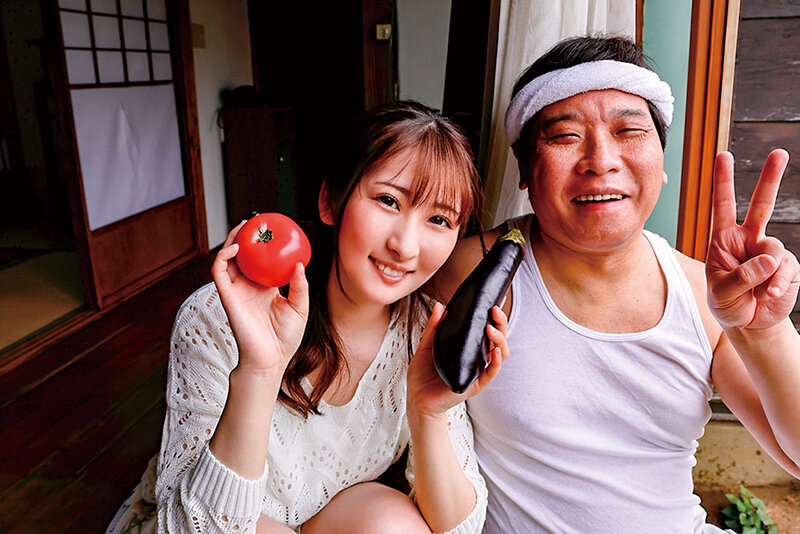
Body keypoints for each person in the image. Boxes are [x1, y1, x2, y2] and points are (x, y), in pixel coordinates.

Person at [429, 35, 800, 533]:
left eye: (629, 131)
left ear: (662, 163)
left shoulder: (704, 294)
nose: (600, 160)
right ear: (525, 169)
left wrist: (765, 332)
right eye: (565, 137)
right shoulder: (471, 272)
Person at [107, 101, 510, 534]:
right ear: (329, 202)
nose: (406, 246)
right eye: (388, 200)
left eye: (439, 219)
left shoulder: (425, 335)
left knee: (392, 524)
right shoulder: (219, 316)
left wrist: (427, 413)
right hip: (204, 523)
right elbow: (189, 528)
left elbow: (459, 528)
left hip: (320, 521)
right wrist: (259, 370)